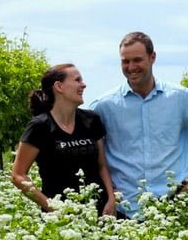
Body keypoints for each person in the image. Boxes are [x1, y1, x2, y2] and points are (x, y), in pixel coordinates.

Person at [89, 32, 188, 219]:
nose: (131, 67)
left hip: (175, 203)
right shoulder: (104, 105)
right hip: (124, 207)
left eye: (137, 60)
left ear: (152, 58)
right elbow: (89, 145)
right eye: (125, 61)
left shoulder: (179, 97)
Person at [12, 63, 117, 216]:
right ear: (59, 87)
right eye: (77, 80)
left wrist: (111, 199)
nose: (84, 85)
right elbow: (18, 175)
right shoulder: (40, 126)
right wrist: (51, 206)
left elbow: (102, 165)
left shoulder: (91, 120)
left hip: (98, 211)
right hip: (61, 219)